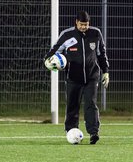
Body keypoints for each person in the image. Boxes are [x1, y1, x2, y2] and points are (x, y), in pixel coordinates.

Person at [44, 11, 109, 144]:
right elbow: (53, 52)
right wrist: (49, 62)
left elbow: (102, 54)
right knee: (72, 106)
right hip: (73, 77)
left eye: (86, 24)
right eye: (81, 24)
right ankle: (71, 132)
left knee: (91, 104)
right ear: (76, 22)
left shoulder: (95, 34)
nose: (84, 27)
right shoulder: (67, 35)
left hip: (92, 77)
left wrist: (105, 71)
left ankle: (93, 133)